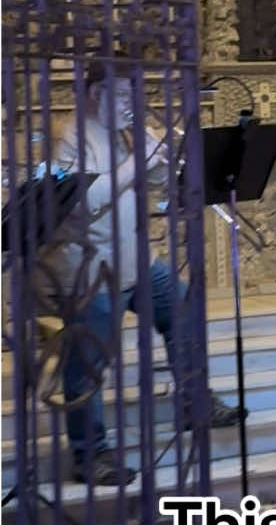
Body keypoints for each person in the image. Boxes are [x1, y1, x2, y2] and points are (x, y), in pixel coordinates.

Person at [34, 61, 242, 486]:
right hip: (89, 268)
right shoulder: (68, 136)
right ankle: (90, 454)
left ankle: (194, 403)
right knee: (87, 363)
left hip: (136, 261)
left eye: (135, 96)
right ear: (97, 93)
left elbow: (158, 180)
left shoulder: (125, 131)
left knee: (183, 307)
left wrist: (165, 157)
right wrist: (137, 163)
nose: (135, 105)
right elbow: (81, 201)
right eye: (126, 96)